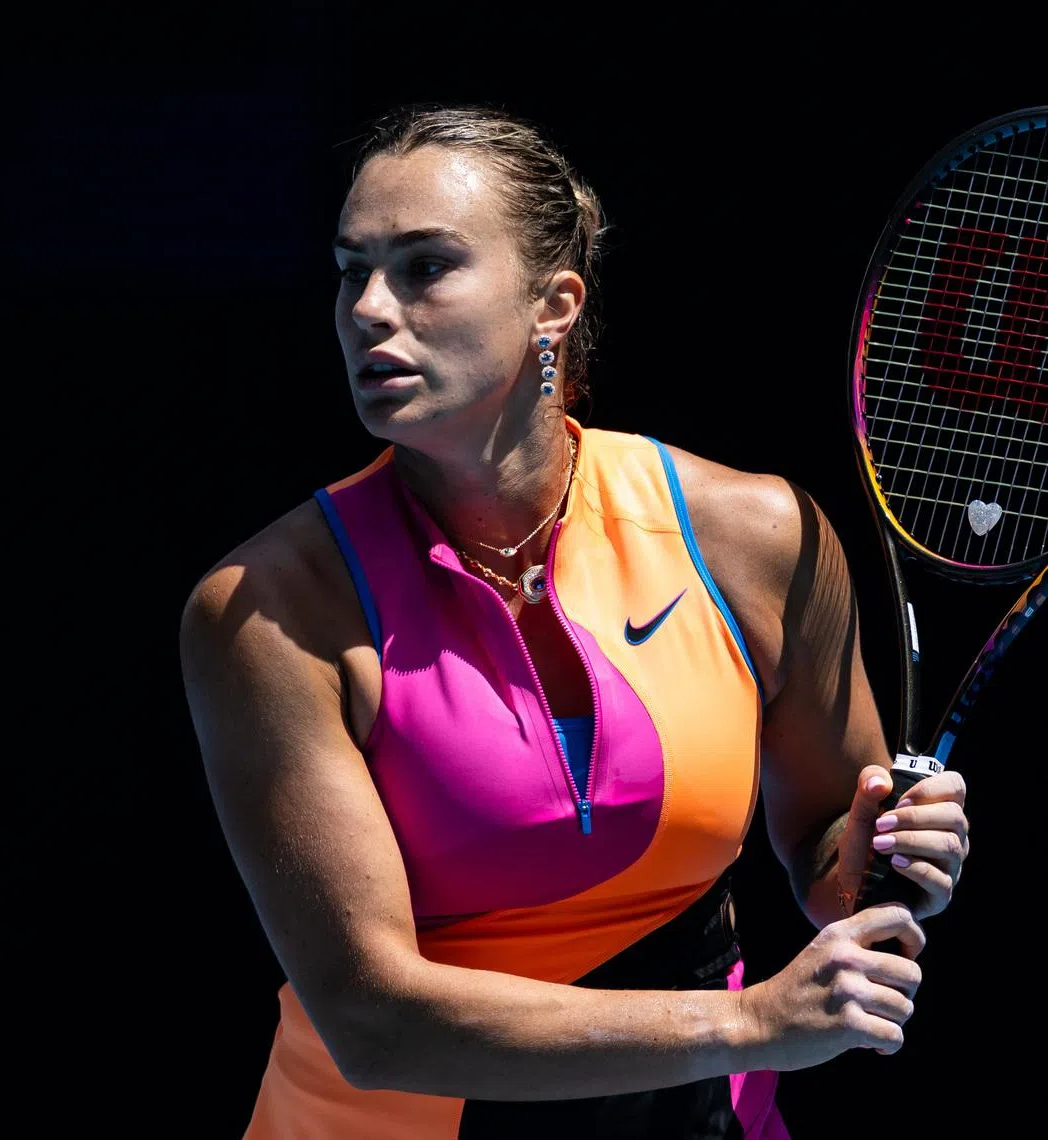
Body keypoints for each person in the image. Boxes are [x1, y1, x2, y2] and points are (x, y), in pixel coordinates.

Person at [177, 102, 970, 1139]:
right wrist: (748, 1023)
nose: (368, 308)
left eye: (423, 267)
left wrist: (880, 856)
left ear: (553, 304)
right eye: (350, 268)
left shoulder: (752, 536)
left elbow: (831, 860)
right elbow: (371, 1019)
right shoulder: (269, 611)